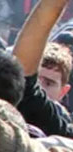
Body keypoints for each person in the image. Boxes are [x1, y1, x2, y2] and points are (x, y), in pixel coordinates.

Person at [10, 0, 73, 137]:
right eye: (38, 81)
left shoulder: (62, 131)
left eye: (49, 83)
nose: (41, 88)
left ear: (63, 92)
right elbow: (23, 73)